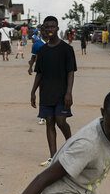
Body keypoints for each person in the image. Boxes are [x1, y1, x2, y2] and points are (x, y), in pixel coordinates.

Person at [32, 15, 77, 166]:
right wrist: (33, 92)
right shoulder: (42, 50)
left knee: (61, 121)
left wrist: (69, 92)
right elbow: (39, 72)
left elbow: (71, 72)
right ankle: (53, 157)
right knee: (49, 122)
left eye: (53, 26)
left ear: (57, 28)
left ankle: (71, 146)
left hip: (62, 93)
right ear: (44, 29)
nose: (50, 29)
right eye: (47, 27)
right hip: (46, 93)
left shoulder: (67, 49)